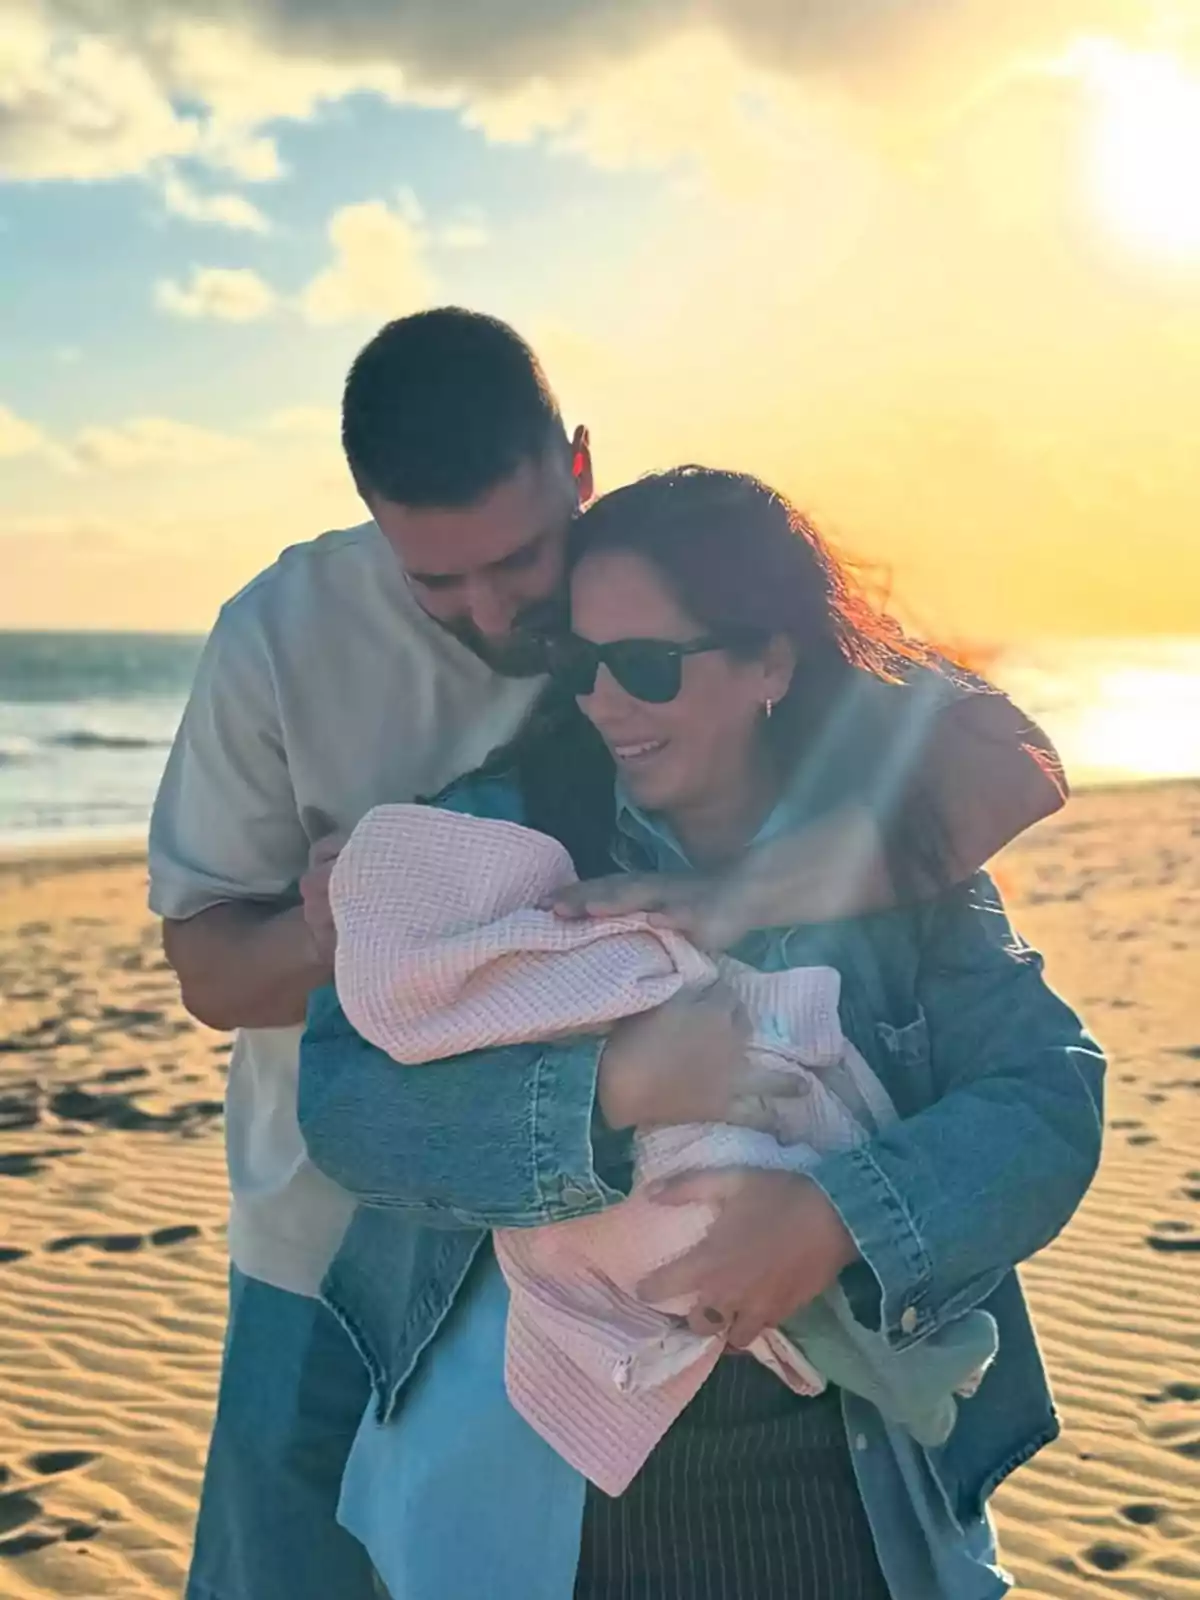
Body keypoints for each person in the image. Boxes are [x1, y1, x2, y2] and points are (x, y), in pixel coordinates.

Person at [150, 311, 1068, 1600]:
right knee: (289, 1565)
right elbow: (215, 980)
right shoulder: (284, 634)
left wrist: (744, 900)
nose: (495, 612)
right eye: (438, 583)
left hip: (721, 1305)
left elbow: (1014, 768)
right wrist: (350, 921)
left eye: (523, 561)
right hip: (344, 1235)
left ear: (576, 470)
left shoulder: (669, 581)